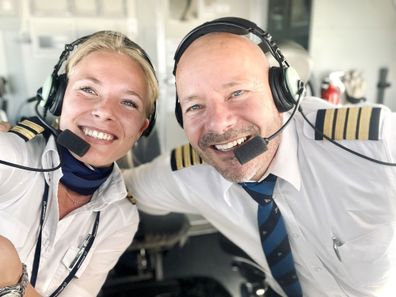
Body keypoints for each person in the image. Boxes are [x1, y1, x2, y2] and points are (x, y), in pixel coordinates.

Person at [122, 17, 396, 296]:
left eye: (237, 93)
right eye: (195, 106)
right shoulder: (193, 170)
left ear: (281, 92)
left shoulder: (375, 146)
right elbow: (123, 189)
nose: (218, 125)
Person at [0, 30, 158, 296]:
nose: (105, 111)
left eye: (128, 102)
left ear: (141, 128)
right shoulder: (11, 156)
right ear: (57, 98)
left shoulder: (121, 217)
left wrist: (13, 281)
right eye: (88, 89)